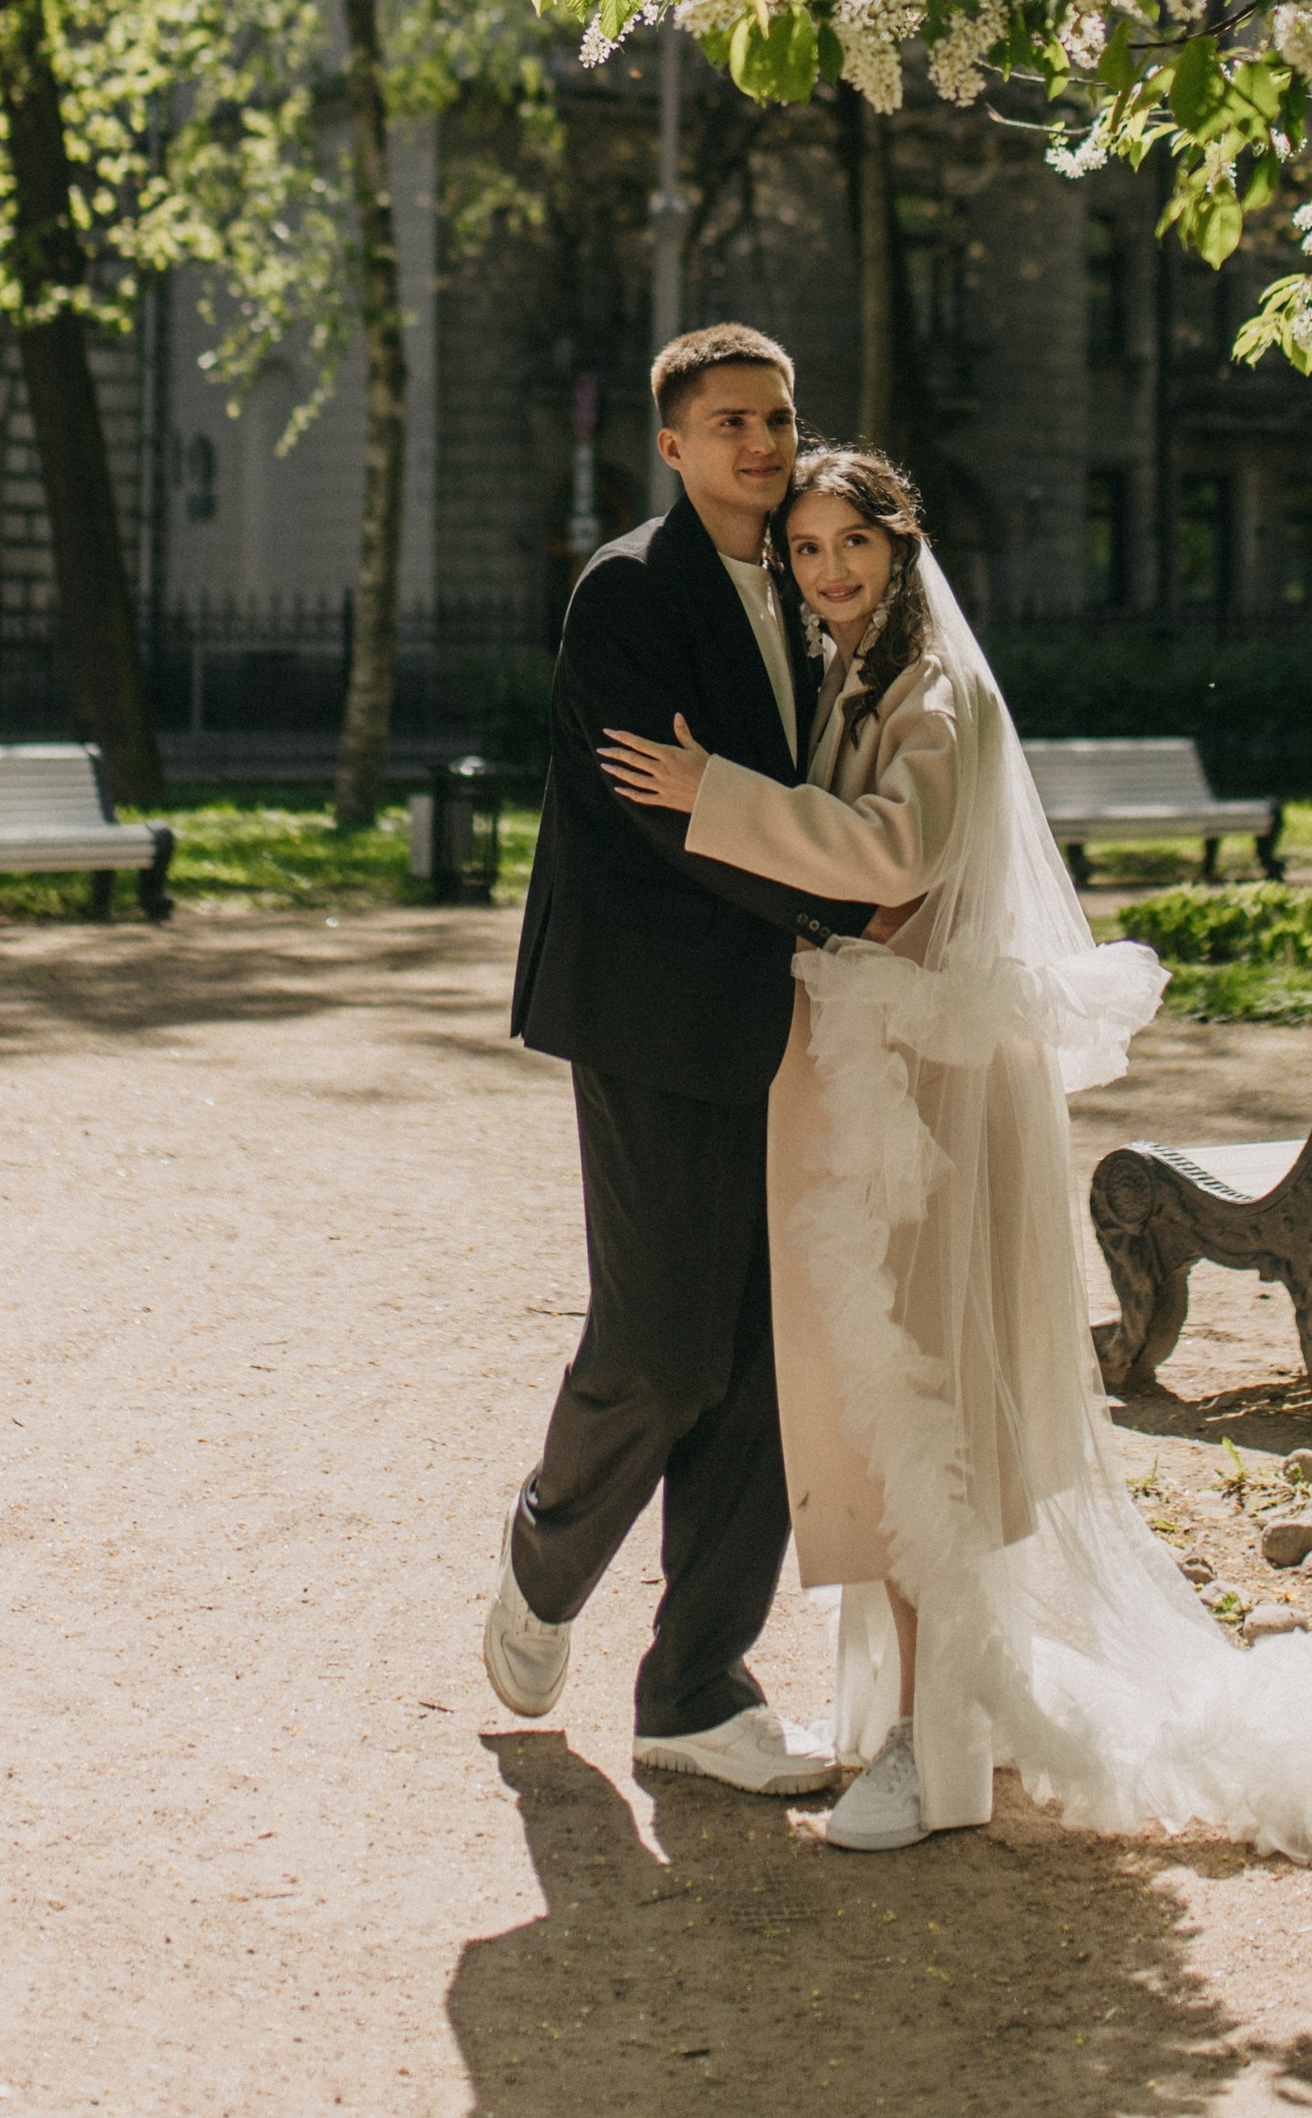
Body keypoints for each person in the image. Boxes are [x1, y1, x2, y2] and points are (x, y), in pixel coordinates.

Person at [599, 447, 1312, 1861]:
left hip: (928, 1100)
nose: (827, 573)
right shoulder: (857, 677)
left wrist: (715, 792)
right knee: (879, 1400)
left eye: (852, 548)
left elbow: (893, 853)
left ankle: (936, 1755)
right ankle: (915, 1719)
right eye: (809, 550)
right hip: (873, 1077)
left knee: (926, 1402)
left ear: (901, 547)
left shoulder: (938, 693)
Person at [485, 324, 872, 1792]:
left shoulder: (826, 574)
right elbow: (656, 807)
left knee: (775, 1362)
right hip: (650, 1010)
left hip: (807, 1020)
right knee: (662, 1341)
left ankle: (696, 1686)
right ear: (672, 442)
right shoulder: (628, 593)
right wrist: (844, 889)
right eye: (730, 423)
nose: (764, 444)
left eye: (777, 416)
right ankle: (547, 1545)